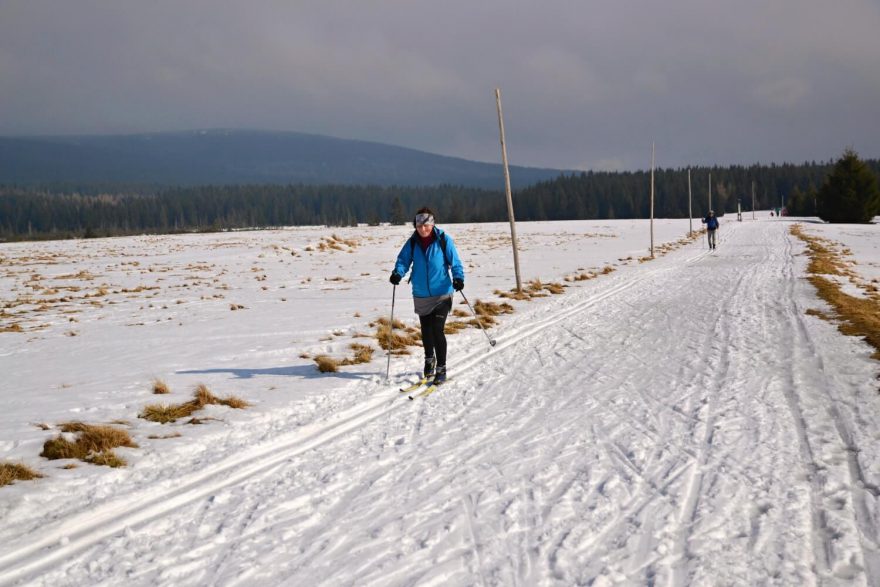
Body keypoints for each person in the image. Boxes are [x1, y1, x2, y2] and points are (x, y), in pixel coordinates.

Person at [389, 207, 464, 385]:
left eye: (426, 225)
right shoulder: (412, 243)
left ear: (432, 224)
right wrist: (398, 273)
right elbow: (403, 261)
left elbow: (455, 262)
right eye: (419, 226)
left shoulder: (443, 240)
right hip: (421, 294)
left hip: (442, 293)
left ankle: (441, 368)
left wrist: (458, 278)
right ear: (415, 226)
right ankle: (429, 359)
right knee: (426, 330)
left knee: (437, 329)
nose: (423, 229)